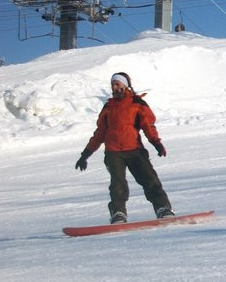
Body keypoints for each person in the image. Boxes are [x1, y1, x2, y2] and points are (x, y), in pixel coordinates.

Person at [75, 72, 175, 223]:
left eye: (117, 84)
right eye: (113, 85)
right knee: (117, 184)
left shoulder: (137, 103)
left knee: (150, 179)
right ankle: (118, 214)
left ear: (125, 85)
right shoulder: (108, 107)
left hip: (135, 150)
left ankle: (163, 208)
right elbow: (100, 133)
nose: (115, 87)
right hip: (113, 152)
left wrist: (156, 142)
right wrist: (85, 155)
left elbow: (148, 125)